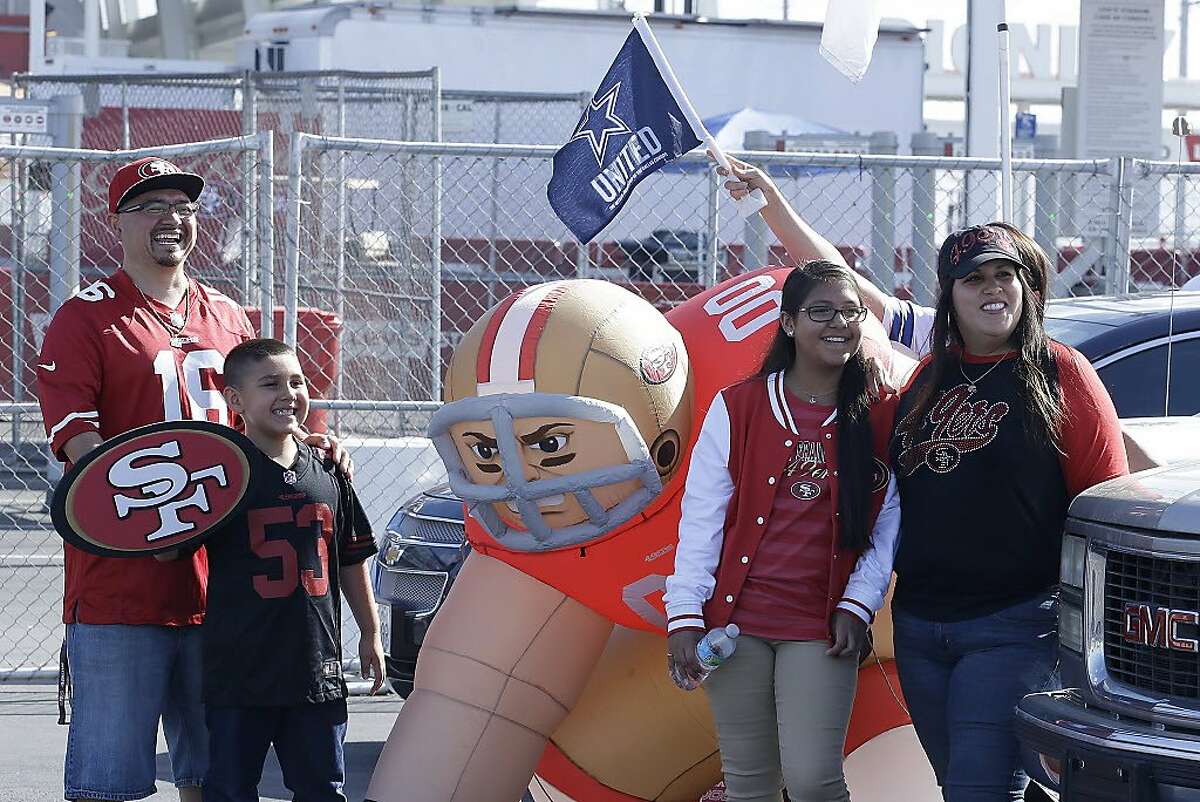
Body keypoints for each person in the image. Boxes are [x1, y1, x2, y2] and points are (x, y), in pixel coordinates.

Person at [717, 158, 1129, 801]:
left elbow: (1105, 501)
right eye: (974, 279)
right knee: (962, 786)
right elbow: (845, 287)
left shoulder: (1060, 372)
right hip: (920, 625)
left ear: (1028, 287)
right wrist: (772, 207)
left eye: (1005, 275)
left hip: (1014, 623)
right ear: (950, 293)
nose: (992, 289)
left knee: (978, 790)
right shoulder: (927, 369)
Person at [35, 156, 349, 802]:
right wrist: (159, 519)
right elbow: (80, 444)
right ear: (117, 222)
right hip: (121, 593)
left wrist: (310, 445)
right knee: (108, 784)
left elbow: (258, 424)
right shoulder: (85, 316)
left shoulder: (227, 315)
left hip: (223, 592)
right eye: (151, 207)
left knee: (211, 778)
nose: (171, 219)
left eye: (183, 207)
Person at [664, 260, 902, 802]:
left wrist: (858, 604)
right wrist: (684, 615)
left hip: (819, 627)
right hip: (735, 625)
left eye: (850, 312)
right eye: (821, 311)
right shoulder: (738, 407)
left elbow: (887, 523)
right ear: (790, 322)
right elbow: (701, 520)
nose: (837, 323)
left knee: (813, 781)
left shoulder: (881, 412)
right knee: (750, 784)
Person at [198, 338, 383, 802]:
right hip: (238, 670)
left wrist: (371, 631)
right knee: (229, 789)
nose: (288, 393)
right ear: (235, 399)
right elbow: (167, 554)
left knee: (322, 788)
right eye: (270, 384)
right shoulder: (219, 474)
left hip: (314, 668)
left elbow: (349, 558)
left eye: (296, 381)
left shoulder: (329, 469)